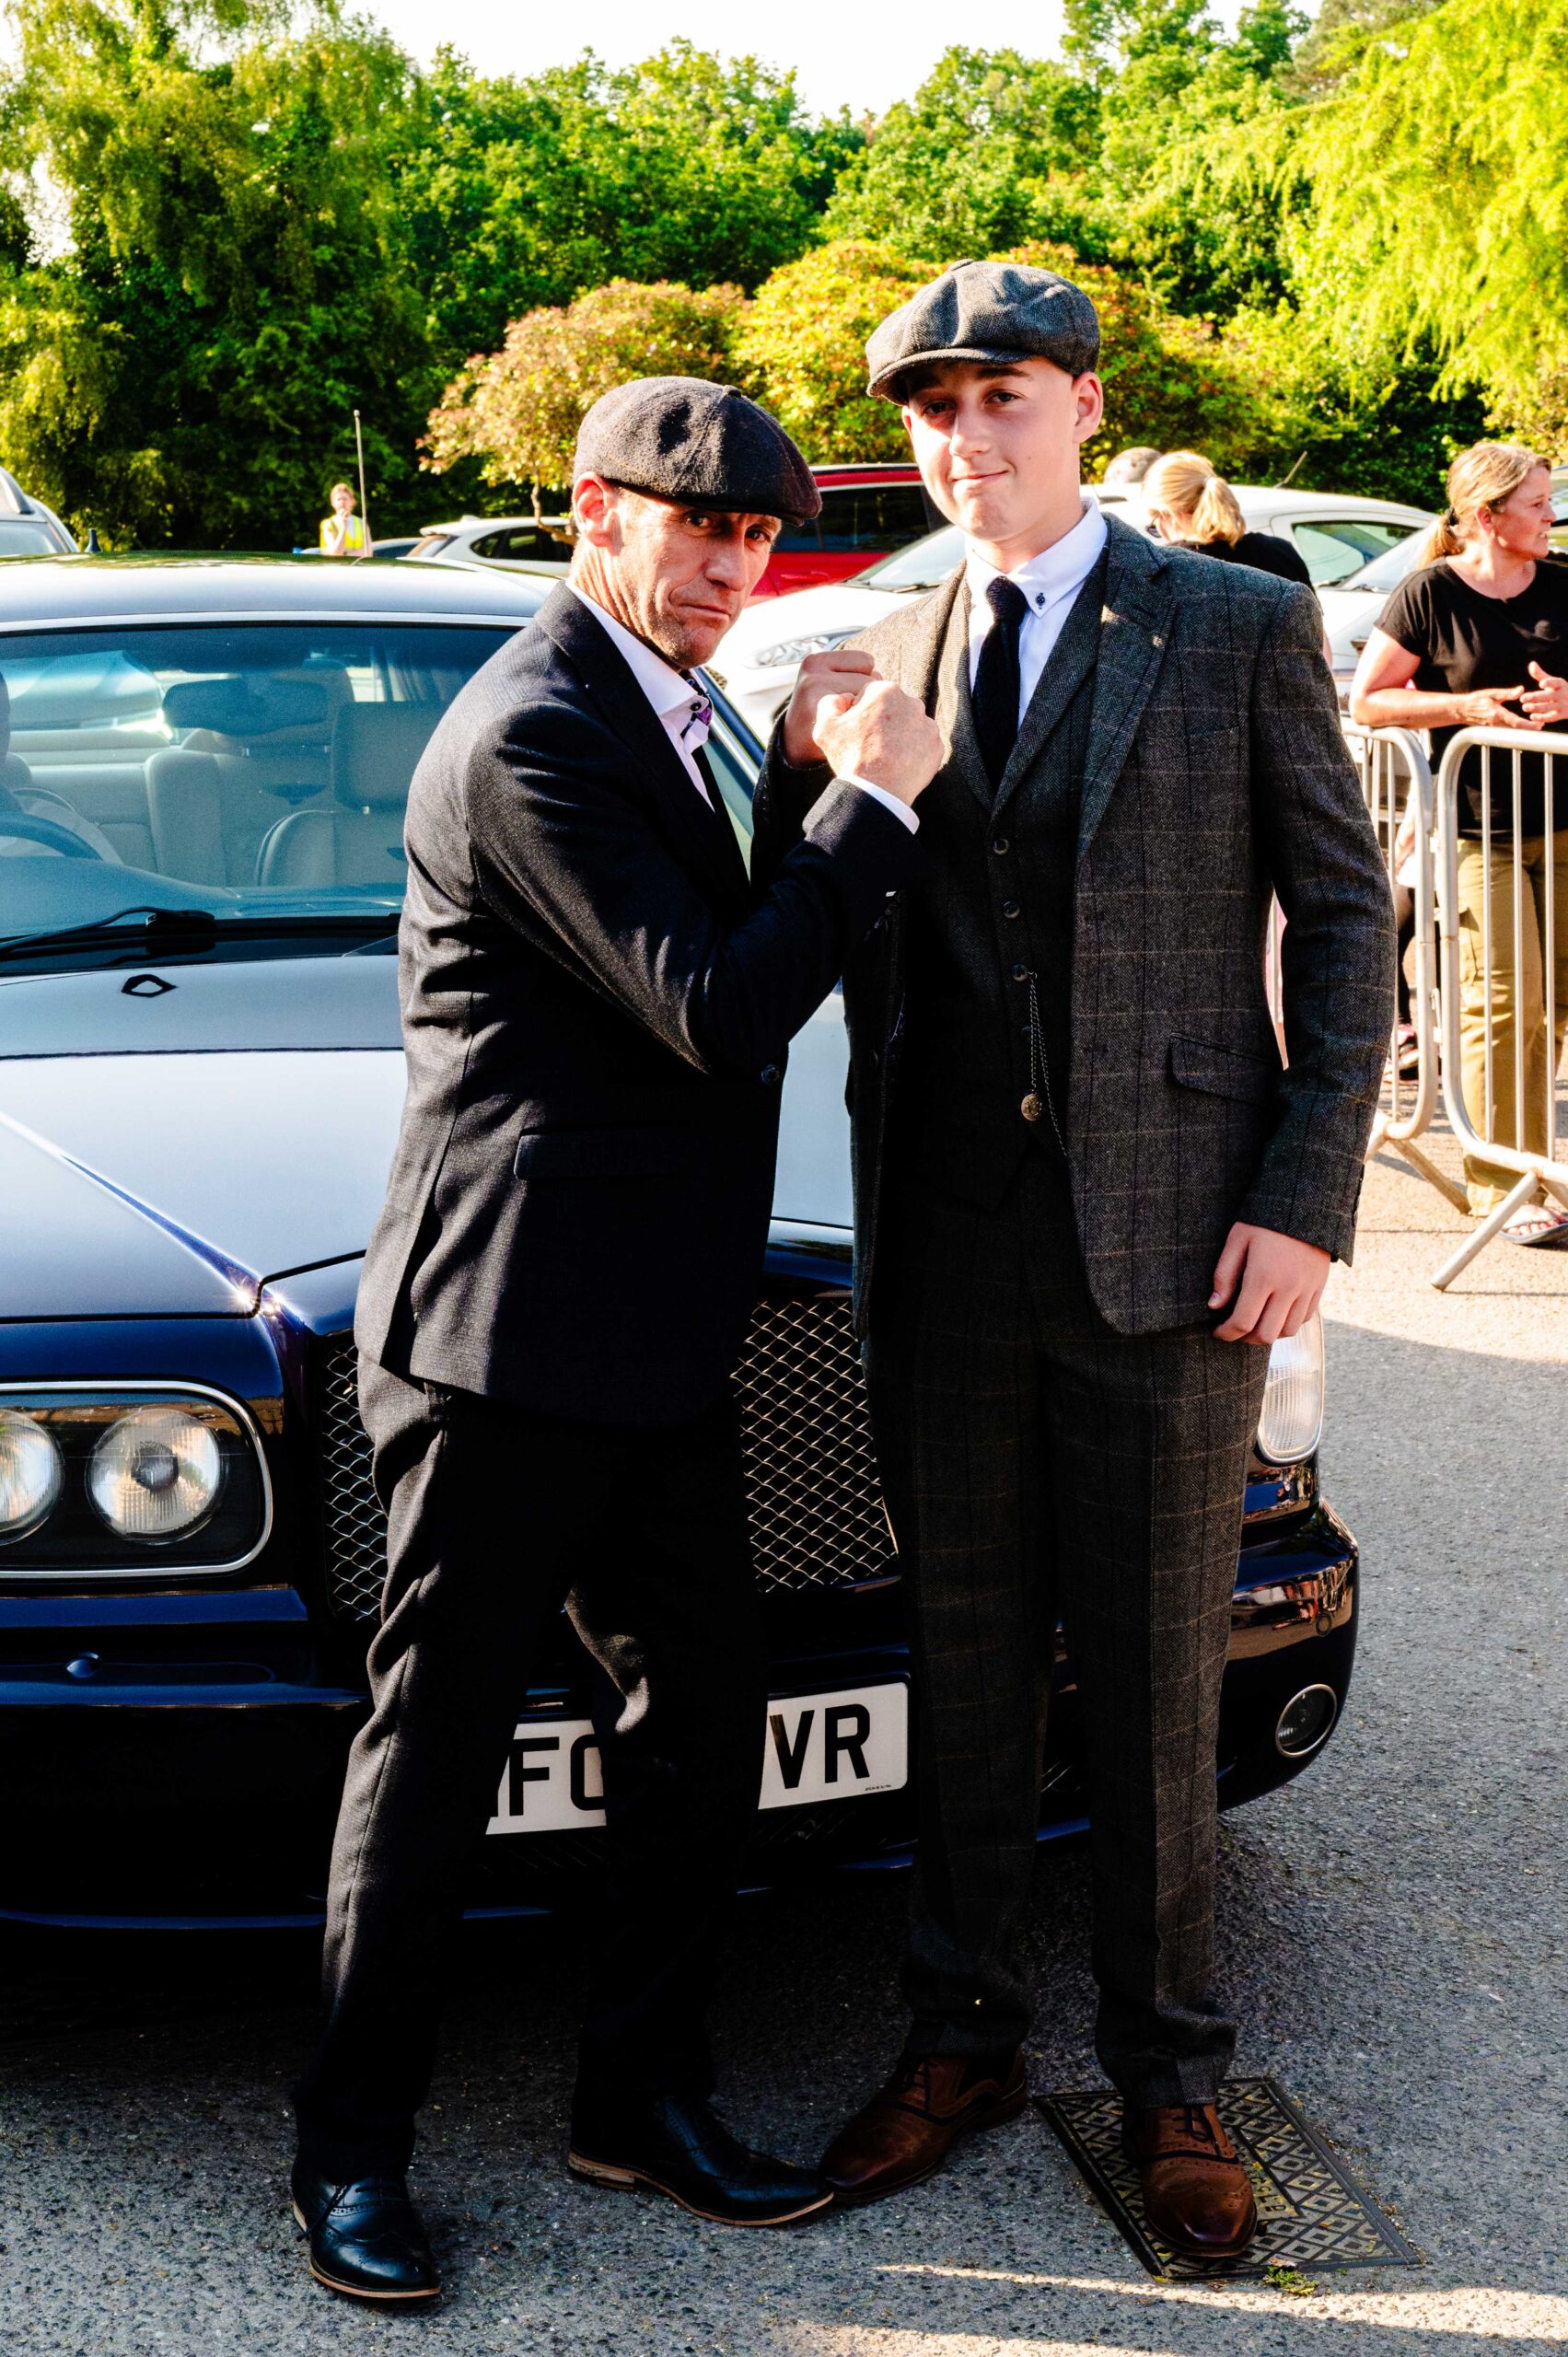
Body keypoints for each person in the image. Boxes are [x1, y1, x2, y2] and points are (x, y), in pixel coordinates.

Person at [754, 259, 1392, 2261]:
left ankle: (1168, 2070)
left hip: (1174, 1245)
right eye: (933, 409)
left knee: (1148, 1680)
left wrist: (1302, 1194)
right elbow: (803, 923)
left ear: (1085, 409)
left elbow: (1343, 916)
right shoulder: (880, 644)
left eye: (1001, 398)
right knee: (957, 1663)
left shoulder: (1229, 620)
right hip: (944, 1247)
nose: (966, 439)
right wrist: (804, 769)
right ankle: (956, 2038)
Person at [289, 377, 938, 2305]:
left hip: (658, 1328)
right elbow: (715, 1005)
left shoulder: (679, 704)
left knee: (702, 1716)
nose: (730, 565)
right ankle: (347, 2152)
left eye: (755, 534)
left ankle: (634, 2095)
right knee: (434, 1755)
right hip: (501, 1335)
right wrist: (876, 805)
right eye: (695, 526)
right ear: (593, 511)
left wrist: (801, 782)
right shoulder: (532, 730)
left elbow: (723, 912)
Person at [1353, 441, 1568, 1245]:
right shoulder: (1430, 593)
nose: (1551, 516)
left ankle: (1533, 1165)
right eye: (1537, 504)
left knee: (1552, 1005)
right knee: (1503, 1003)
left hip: (1564, 823)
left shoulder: (1563, 584)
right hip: (1482, 831)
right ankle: (1503, 1188)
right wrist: (1464, 708)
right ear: (1487, 516)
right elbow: (1369, 702)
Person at [1144, 449, 1313, 586]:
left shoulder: (1161, 575)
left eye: (1154, 524)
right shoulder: (1279, 553)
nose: (1160, 533)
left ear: (1168, 514)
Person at [319, 482, 367, 558]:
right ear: (332, 503)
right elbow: (336, 554)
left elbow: (368, 552)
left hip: (358, 565)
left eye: (345, 499)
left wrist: (345, 555)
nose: (342, 502)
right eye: (338, 499)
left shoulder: (361, 523)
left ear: (352, 501)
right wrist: (344, 526)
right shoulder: (328, 524)